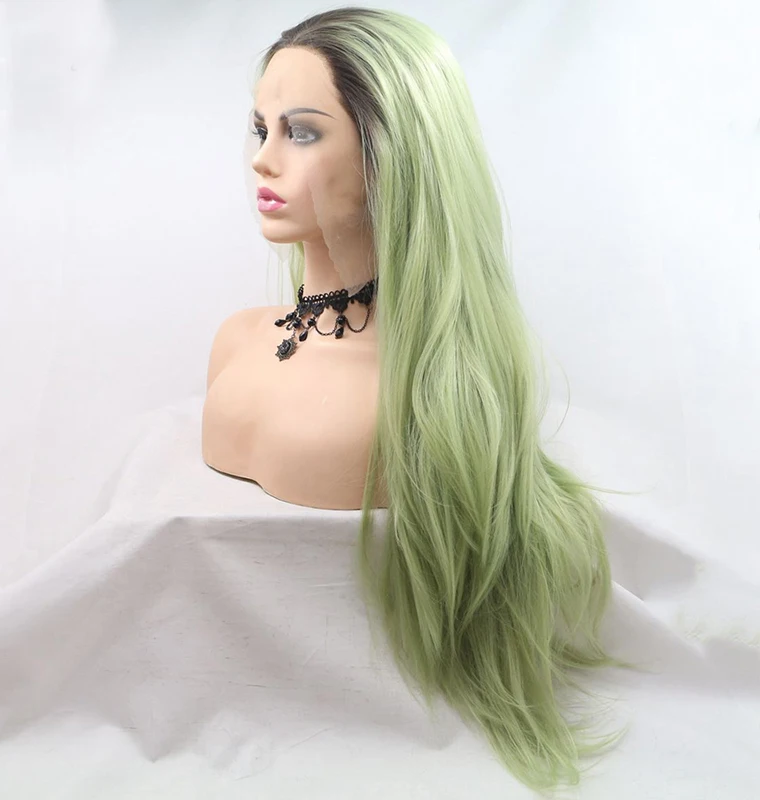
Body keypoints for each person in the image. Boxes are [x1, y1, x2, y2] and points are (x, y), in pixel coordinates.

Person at [202, 7, 631, 790]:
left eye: (302, 132)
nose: (262, 159)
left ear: (390, 151)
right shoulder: (236, 340)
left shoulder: (414, 400)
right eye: (260, 129)